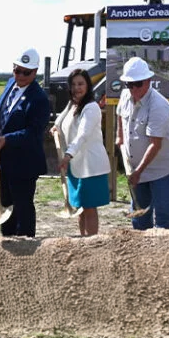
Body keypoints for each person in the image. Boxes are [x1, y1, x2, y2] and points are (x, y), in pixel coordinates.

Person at [0, 48, 49, 237]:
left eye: (26, 72)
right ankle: (8, 242)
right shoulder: (11, 83)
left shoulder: (39, 99)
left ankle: (26, 247)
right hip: (3, 160)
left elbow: (34, 133)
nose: (20, 75)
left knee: (22, 208)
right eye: (17, 70)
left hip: (24, 163)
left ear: (35, 72)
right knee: (6, 205)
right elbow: (5, 106)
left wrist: (7, 139)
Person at [115, 57, 169, 230]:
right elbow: (120, 113)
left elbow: (155, 145)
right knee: (140, 219)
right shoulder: (125, 95)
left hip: (161, 171)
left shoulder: (159, 105)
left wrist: (137, 173)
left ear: (149, 81)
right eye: (129, 84)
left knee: (163, 221)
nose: (134, 89)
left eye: (138, 84)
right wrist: (119, 136)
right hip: (136, 169)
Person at [52, 68, 110, 236]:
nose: (77, 88)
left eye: (81, 84)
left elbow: (82, 135)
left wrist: (67, 155)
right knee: (79, 208)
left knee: (89, 208)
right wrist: (56, 128)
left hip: (90, 166)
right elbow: (59, 121)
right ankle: (82, 242)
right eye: (74, 84)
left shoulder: (91, 107)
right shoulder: (72, 104)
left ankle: (91, 244)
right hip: (75, 165)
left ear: (88, 86)